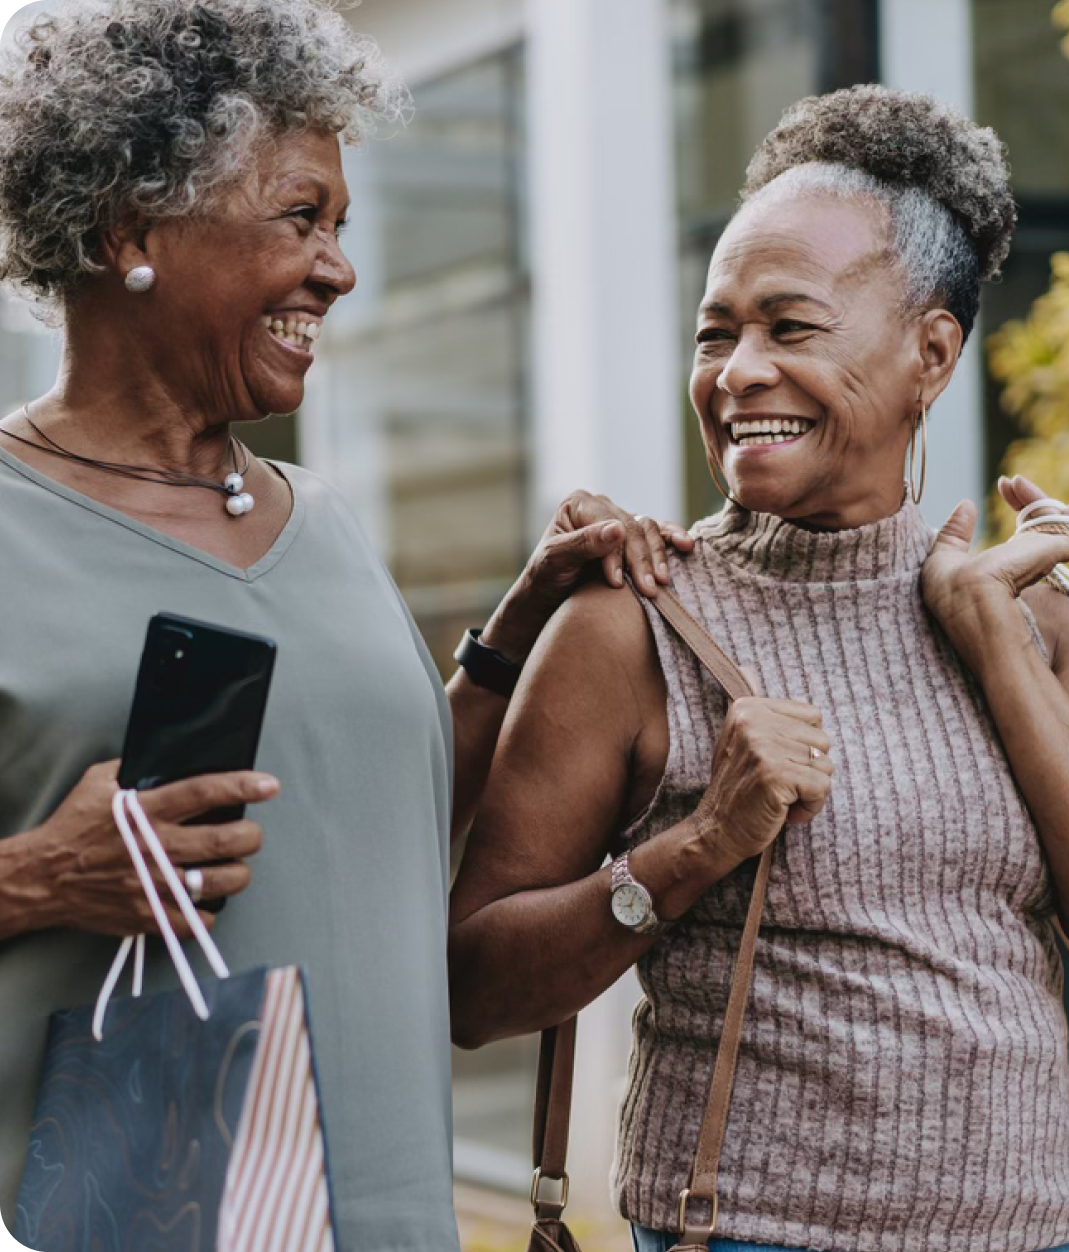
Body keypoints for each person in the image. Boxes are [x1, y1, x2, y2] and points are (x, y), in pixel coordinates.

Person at [448, 86, 1069, 1252]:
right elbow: (474, 985)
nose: (738, 371)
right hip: (751, 1231)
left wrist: (990, 640)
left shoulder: (1024, 617)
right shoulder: (629, 623)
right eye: (715, 332)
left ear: (929, 352)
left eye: (788, 328)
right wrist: (694, 849)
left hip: (1042, 1233)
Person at [0, 3, 689, 1249]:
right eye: (298, 216)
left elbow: (380, 819)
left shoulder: (318, 518)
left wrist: (517, 629)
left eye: (341, 226)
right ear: (129, 229)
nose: (340, 267)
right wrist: (41, 875)